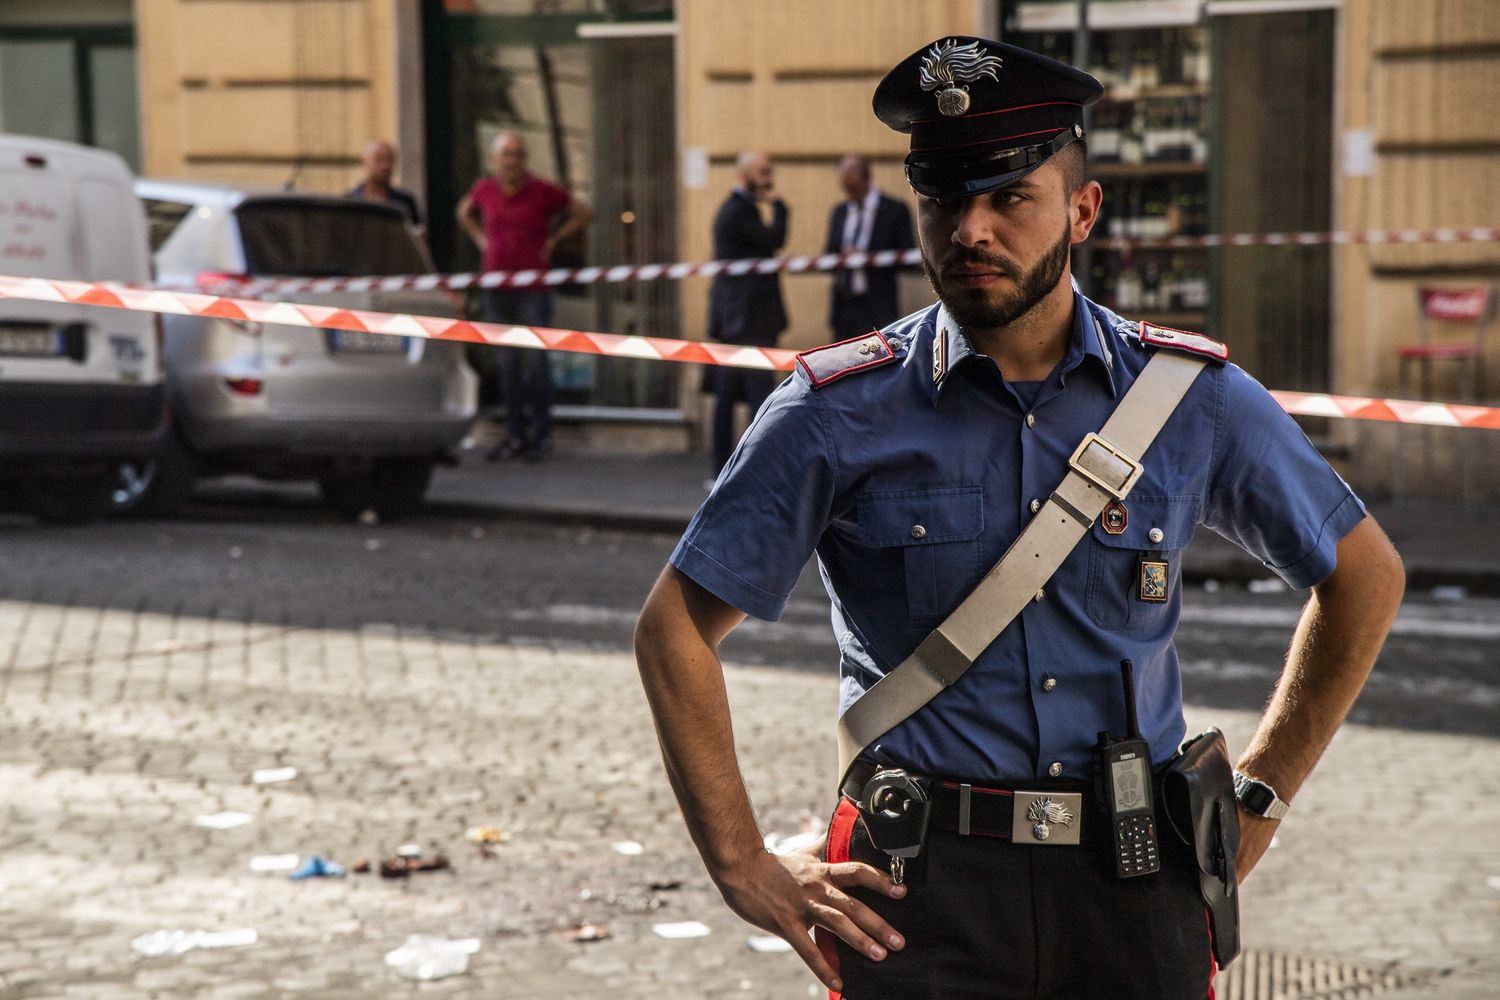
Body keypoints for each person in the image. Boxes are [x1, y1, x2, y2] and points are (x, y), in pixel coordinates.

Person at [635, 36, 1405, 1000]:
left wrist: (1259, 793)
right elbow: (675, 627)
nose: (971, 229)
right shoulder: (833, 410)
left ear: (1081, 211)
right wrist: (742, 863)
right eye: (947, 199)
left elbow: (1364, 575)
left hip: (1136, 884)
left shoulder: (1189, 399)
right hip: (912, 894)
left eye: (1009, 198)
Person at [456, 131, 592, 461]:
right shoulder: (484, 190)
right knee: (507, 364)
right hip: (497, 288)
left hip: (533, 289)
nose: (512, 160)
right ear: (495, 160)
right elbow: (464, 212)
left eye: (517, 154)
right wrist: (480, 239)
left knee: (536, 361)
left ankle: (541, 434)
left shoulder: (542, 190)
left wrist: (555, 239)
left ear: (525, 159)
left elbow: (583, 212)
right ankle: (515, 434)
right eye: (506, 154)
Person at [705, 151, 789, 479]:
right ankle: (754, 469)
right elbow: (774, 239)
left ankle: (725, 469)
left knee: (732, 396)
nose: (770, 179)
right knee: (757, 397)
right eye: (764, 173)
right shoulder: (739, 211)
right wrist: (780, 207)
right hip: (748, 320)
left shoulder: (739, 208)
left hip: (739, 320)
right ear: (746, 175)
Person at [825, 155, 914, 342]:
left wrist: (867, 258)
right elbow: (828, 254)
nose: (850, 193)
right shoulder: (840, 211)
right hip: (844, 305)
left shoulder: (894, 210)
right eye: (846, 189)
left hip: (878, 304)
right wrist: (843, 257)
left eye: (854, 188)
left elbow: (907, 254)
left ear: (865, 179)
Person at [348, 139, 424, 230]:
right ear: (365, 162)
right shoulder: (350, 202)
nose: (385, 166)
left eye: (389, 160)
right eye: (378, 160)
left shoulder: (405, 202)